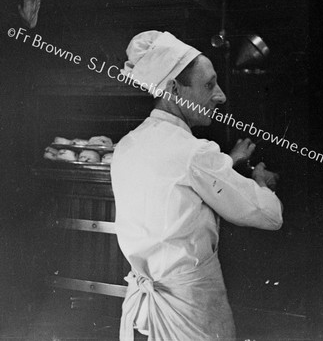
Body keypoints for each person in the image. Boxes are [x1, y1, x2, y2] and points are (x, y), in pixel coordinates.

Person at [110, 30, 283, 341]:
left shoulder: (126, 146)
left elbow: (176, 186)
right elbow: (270, 216)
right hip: (192, 313)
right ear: (174, 89)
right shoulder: (195, 152)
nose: (220, 95)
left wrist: (227, 161)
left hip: (144, 313)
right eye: (208, 85)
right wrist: (260, 181)